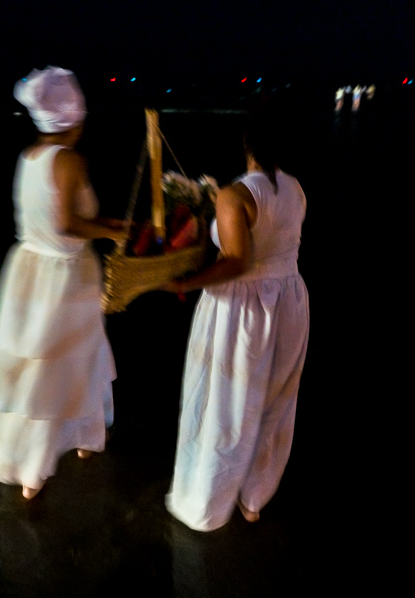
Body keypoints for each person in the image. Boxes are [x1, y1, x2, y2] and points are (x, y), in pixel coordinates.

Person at [0, 67, 126, 500]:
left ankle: (54, 448)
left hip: (27, 270)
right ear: (73, 117)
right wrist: (114, 232)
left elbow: (53, 219)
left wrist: (107, 225)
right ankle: (36, 468)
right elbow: (67, 224)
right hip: (63, 276)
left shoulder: (29, 157)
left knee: (36, 363)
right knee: (63, 362)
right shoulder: (69, 158)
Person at [161, 106, 310, 531]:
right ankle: (254, 498)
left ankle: (209, 500)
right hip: (290, 301)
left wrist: (185, 283)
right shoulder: (297, 190)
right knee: (275, 402)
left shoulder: (236, 195)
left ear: (246, 143)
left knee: (227, 404)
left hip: (243, 311)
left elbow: (237, 262)